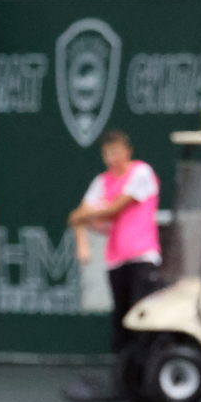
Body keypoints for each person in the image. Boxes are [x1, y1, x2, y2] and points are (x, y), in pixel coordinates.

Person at [68, 130, 161, 357]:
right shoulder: (102, 181)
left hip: (143, 258)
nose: (112, 159)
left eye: (116, 152)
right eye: (107, 154)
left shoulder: (141, 172)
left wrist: (88, 215)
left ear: (127, 151)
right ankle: (125, 370)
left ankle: (150, 368)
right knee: (121, 321)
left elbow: (113, 208)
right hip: (116, 261)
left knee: (142, 317)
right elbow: (75, 217)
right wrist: (82, 239)